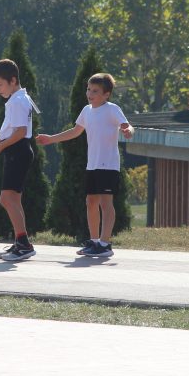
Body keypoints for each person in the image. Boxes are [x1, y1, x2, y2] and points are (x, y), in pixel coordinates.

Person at [37, 72, 134, 258]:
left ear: (106, 94)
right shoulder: (86, 111)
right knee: (91, 202)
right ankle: (94, 242)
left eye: (95, 91)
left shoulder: (112, 109)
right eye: (89, 89)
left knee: (106, 203)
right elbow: (75, 131)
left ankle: (105, 244)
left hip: (108, 165)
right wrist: (51, 139)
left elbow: (127, 126)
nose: (90, 93)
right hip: (92, 165)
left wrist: (128, 130)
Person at [0, 59, 38, 261]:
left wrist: (0, 146)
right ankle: (20, 241)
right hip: (17, 150)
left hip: (18, 151)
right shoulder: (19, 98)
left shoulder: (17, 101)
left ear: (13, 80)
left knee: (6, 199)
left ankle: (24, 244)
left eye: (0, 84)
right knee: (13, 199)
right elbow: (14, 130)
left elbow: (21, 132)